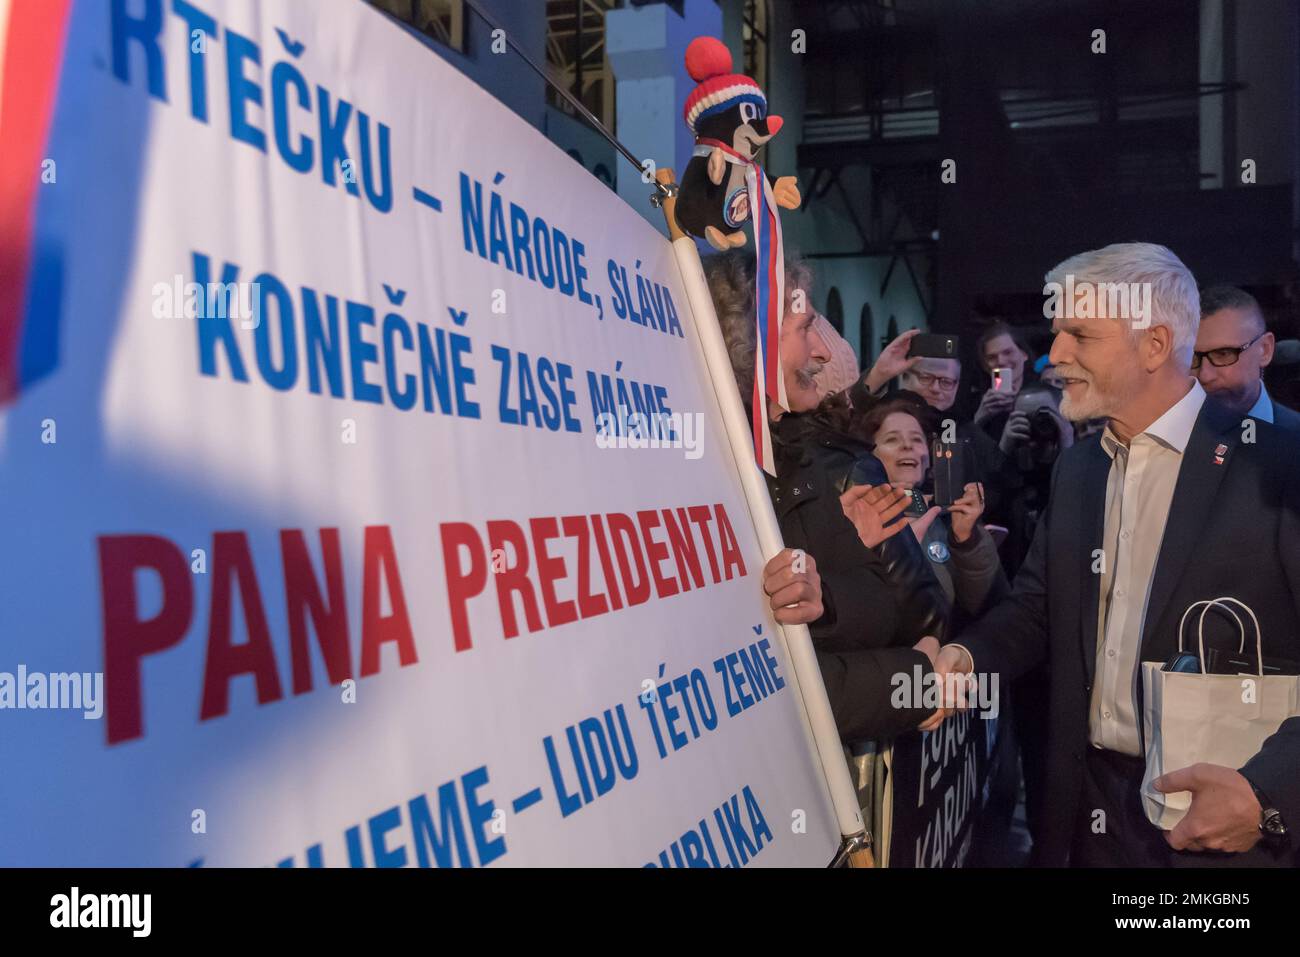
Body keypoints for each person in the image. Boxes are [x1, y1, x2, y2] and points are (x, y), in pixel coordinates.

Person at [928, 242, 1300, 867]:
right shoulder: (1078, 470)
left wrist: (1268, 794)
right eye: (1056, 333)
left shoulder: (1277, 465)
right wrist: (965, 657)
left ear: (1155, 345)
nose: (1056, 356)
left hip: (1222, 830)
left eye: (1080, 335)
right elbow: (1040, 611)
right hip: (1089, 815)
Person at [702, 250, 946, 742]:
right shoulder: (713, 473)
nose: (824, 352)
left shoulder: (809, 461)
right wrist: (911, 684)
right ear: (747, 341)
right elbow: (756, 683)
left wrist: (829, 595)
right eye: (805, 328)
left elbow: (898, 614)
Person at [858, 398, 1007, 626]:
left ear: (928, 457)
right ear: (869, 456)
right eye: (892, 439)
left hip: (947, 652)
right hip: (894, 654)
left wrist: (968, 541)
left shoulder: (948, 517)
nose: (908, 446)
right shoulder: (857, 515)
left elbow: (988, 606)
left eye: (917, 439)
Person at [900, 356, 1009, 523]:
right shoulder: (887, 420)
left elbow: (998, 484)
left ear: (957, 386)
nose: (936, 388)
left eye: (946, 382)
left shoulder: (968, 431)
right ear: (905, 377)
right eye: (926, 378)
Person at [1195, 285, 1300, 430]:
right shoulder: (1162, 439)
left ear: (1265, 350)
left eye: (1223, 354)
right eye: (1191, 356)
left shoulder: (1294, 439)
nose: (1204, 375)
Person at [973, 321, 1035, 441]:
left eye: (1008, 352)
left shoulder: (1041, 392)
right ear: (986, 366)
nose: (1000, 361)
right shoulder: (975, 402)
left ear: (1024, 355)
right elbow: (965, 450)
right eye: (992, 357)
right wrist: (980, 417)